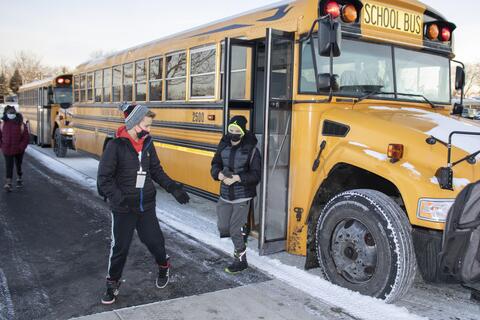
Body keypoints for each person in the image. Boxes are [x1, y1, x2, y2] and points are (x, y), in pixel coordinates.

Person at [97, 103, 190, 305]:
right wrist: (120, 199)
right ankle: (112, 284)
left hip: (146, 205)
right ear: (133, 123)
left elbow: (155, 170)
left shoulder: (148, 144)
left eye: (150, 126)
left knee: (155, 242)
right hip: (123, 208)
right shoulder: (115, 146)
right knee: (120, 247)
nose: (149, 130)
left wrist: (172, 187)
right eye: (146, 125)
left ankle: (164, 266)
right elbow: (104, 179)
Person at [210, 115, 261, 274]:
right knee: (223, 227)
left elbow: (256, 175)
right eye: (230, 129)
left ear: (242, 132)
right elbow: (215, 164)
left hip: (242, 195)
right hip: (225, 194)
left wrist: (238, 178)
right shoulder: (223, 145)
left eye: (236, 130)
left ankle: (241, 260)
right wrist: (217, 174)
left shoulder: (252, 150)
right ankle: (242, 231)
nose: (232, 133)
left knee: (233, 230)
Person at [0, 105, 29, 192]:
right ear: (6, 114)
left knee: (18, 164)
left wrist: (21, 147)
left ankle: (19, 177)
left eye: (12, 113)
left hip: (19, 150)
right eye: (9, 113)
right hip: (7, 149)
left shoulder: (21, 124)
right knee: (9, 166)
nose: (11, 114)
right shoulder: (3, 124)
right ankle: (8, 183)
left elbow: (26, 138)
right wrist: (2, 146)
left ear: (15, 113)